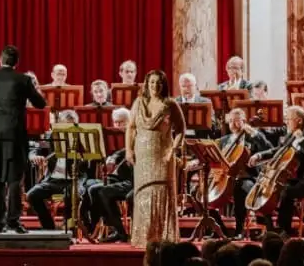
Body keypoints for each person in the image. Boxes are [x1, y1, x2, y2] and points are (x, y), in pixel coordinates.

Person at [0, 45, 48, 233]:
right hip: (13, 134)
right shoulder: (23, 80)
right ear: (17, 63)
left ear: (0, 60)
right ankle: (13, 222)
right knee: (14, 179)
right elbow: (40, 104)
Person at [128, 69, 186, 244]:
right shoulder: (138, 103)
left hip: (163, 154)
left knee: (161, 191)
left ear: (164, 85)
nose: (155, 86)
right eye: (152, 82)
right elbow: (130, 128)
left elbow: (181, 129)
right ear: (147, 84)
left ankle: (164, 237)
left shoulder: (170, 104)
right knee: (143, 193)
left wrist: (173, 150)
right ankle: (143, 237)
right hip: (142, 155)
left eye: (158, 83)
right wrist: (128, 150)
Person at [251, 105, 304, 235]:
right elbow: (277, 151)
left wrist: (302, 140)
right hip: (292, 178)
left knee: (286, 191)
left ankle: (285, 229)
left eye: (289, 119)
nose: (286, 122)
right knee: (268, 189)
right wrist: (260, 155)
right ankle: (269, 228)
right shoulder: (290, 135)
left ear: (299, 121)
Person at [27, 109, 98, 231]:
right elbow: (34, 150)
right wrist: (34, 156)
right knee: (32, 195)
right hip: (53, 180)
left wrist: (83, 156)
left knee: (71, 193)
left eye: (73, 126)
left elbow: (91, 160)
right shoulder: (51, 137)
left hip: (74, 179)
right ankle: (49, 228)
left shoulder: (82, 138)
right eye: (66, 126)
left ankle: (70, 227)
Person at [215, 108, 270, 237]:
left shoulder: (252, 137)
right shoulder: (224, 140)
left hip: (248, 176)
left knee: (241, 188)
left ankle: (239, 229)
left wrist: (254, 132)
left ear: (244, 121)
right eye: (230, 121)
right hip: (225, 178)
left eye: (237, 121)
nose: (233, 124)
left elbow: (267, 147)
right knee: (200, 194)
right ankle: (220, 229)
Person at [88, 107, 134, 243]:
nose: (118, 126)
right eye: (116, 122)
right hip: (118, 177)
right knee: (93, 189)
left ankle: (119, 232)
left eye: (122, 122)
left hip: (132, 180)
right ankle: (111, 227)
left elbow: (127, 150)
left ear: (130, 121)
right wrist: (111, 158)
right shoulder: (111, 137)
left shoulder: (134, 134)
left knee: (104, 192)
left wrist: (115, 156)